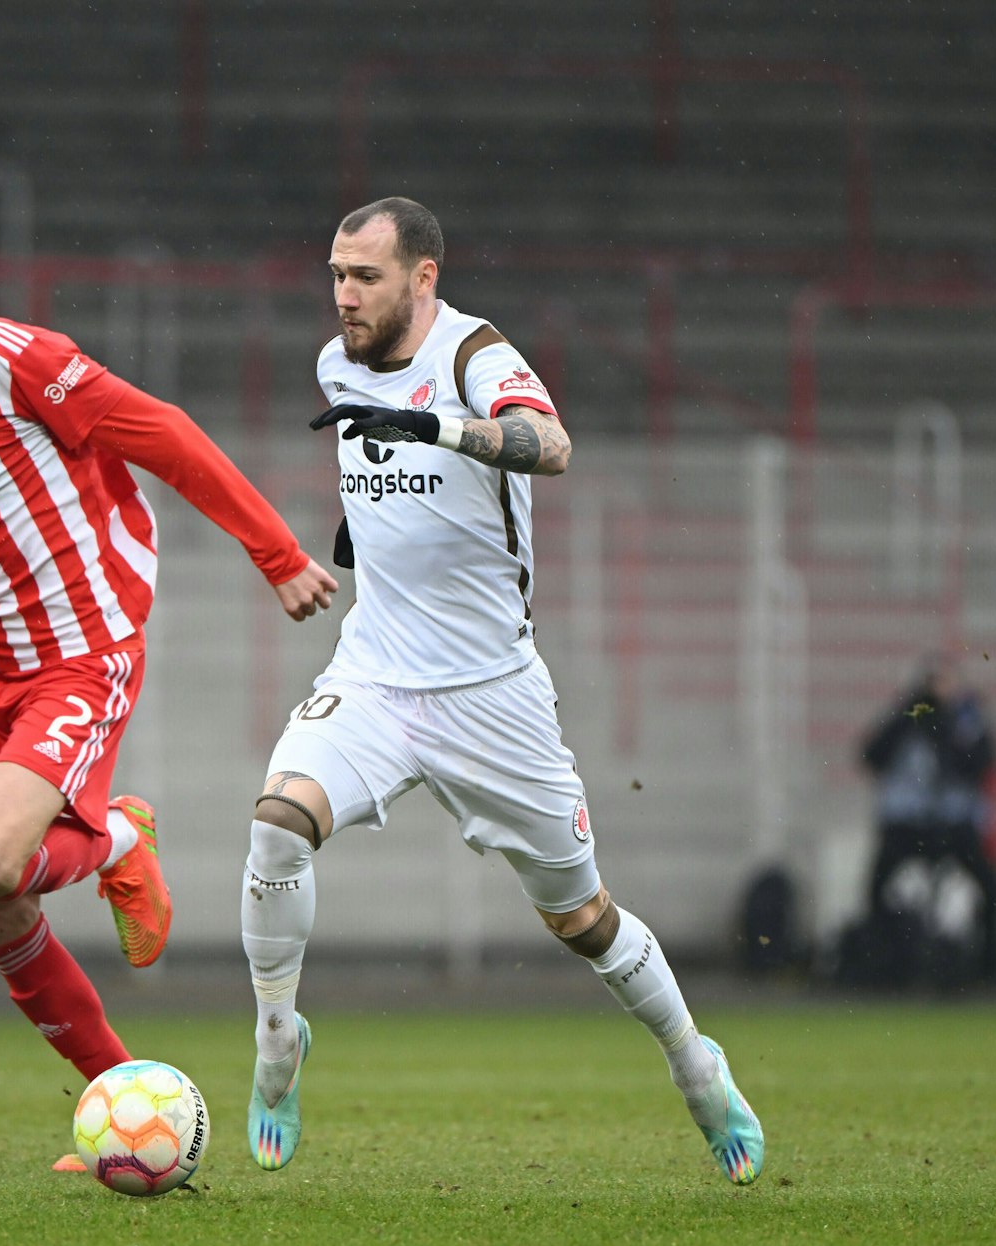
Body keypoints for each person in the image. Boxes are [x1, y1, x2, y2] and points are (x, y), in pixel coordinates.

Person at [237, 197, 764, 1185]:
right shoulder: (333, 362)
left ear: (422, 277)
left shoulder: (476, 352)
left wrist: (435, 426)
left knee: (582, 919)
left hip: (492, 692)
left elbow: (549, 445)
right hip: (376, 676)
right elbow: (378, 484)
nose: (343, 296)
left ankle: (694, 1058)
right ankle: (276, 1037)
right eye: (335, 274)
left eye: (364, 276)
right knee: (275, 820)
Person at [0, 197, 338, 1169]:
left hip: (79, 642)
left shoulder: (7, 357)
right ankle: (119, 1091)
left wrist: (274, 553)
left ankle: (115, 839)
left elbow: (162, 432)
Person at [860, 653, 996, 981]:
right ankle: (884, 966)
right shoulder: (908, 716)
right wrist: (910, 716)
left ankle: (987, 969)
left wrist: (946, 727)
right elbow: (872, 755)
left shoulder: (968, 718)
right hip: (908, 827)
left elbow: (980, 764)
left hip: (954, 826)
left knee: (991, 888)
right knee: (878, 888)